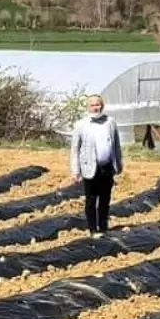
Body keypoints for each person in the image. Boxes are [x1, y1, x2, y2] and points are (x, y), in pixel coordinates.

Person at [70, 94, 123, 236]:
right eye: (92, 105)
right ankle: (93, 229)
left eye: (98, 104)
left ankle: (104, 227)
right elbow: (75, 150)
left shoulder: (110, 122)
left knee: (105, 199)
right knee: (91, 200)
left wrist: (118, 164)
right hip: (90, 168)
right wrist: (75, 171)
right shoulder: (81, 125)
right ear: (88, 107)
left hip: (107, 167)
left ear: (102, 106)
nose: (95, 107)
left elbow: (116, 145)